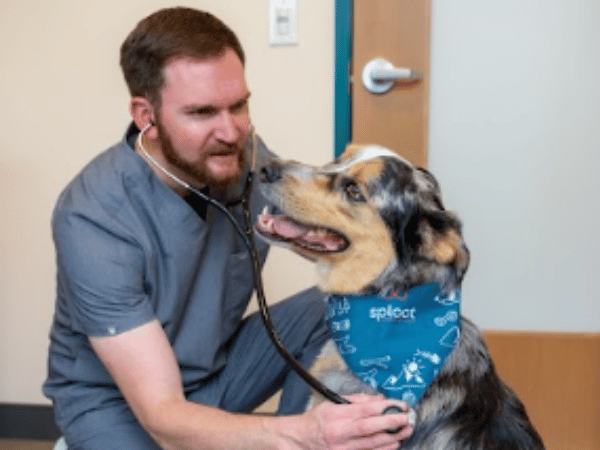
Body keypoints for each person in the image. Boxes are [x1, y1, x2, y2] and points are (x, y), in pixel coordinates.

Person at [43, 7, 413, 450]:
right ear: (147, 116)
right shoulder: (92, 217)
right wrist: (302, 434)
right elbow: (162, 413)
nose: (231, 131)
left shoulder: (239, 158)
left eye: (238, 105)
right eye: (201, 112)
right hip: (123, 405)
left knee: (340, 306)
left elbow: (323, 229)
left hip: (216, 373)